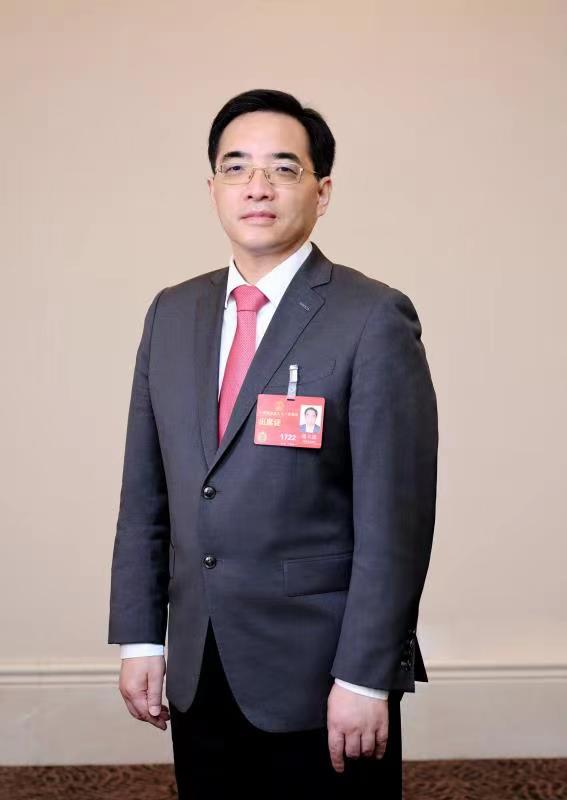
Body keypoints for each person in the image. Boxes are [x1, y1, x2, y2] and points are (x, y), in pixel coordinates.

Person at [108, 88, 438, 799]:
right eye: (236, 168)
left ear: (322, 191)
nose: (256, 186)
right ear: (213, 189)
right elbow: (145, 493)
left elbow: (396, 522)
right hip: (198, 659)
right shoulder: (172, 312)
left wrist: (365, 676)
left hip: (321, 670)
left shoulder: (372, 317)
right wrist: (141, 637)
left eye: (283, 168)